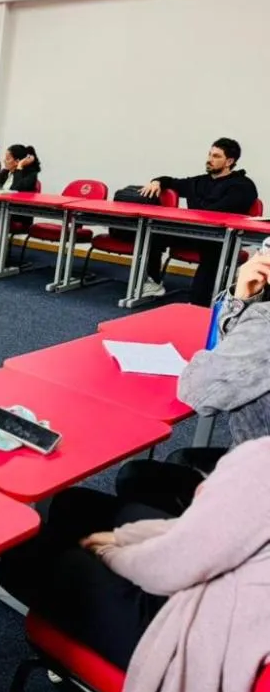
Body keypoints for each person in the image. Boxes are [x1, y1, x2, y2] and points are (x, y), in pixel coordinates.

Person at [0, 439, 270, 692]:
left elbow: (172, 565)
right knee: (74, 504)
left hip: (201, 637)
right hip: (233, 595)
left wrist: (110, 554)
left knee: (15, 550)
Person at [115, 252, 270, 515]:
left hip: (254, 499)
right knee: (181, 459)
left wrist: (241, 303)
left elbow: (197, 389)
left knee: (130, 478)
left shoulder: (264, 327)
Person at [138, 137, 258, 305]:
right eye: (209, 154)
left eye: (216, 156)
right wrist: (156, 182)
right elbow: (171, 181)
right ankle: (153, 283)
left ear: (229, 161)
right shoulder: (200, 181)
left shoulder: (243, 186)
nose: (209, 159)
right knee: (154, 235)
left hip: (222, 239)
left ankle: (197, 304)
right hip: (195, 233)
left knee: (211, 252)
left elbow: (217, 212)